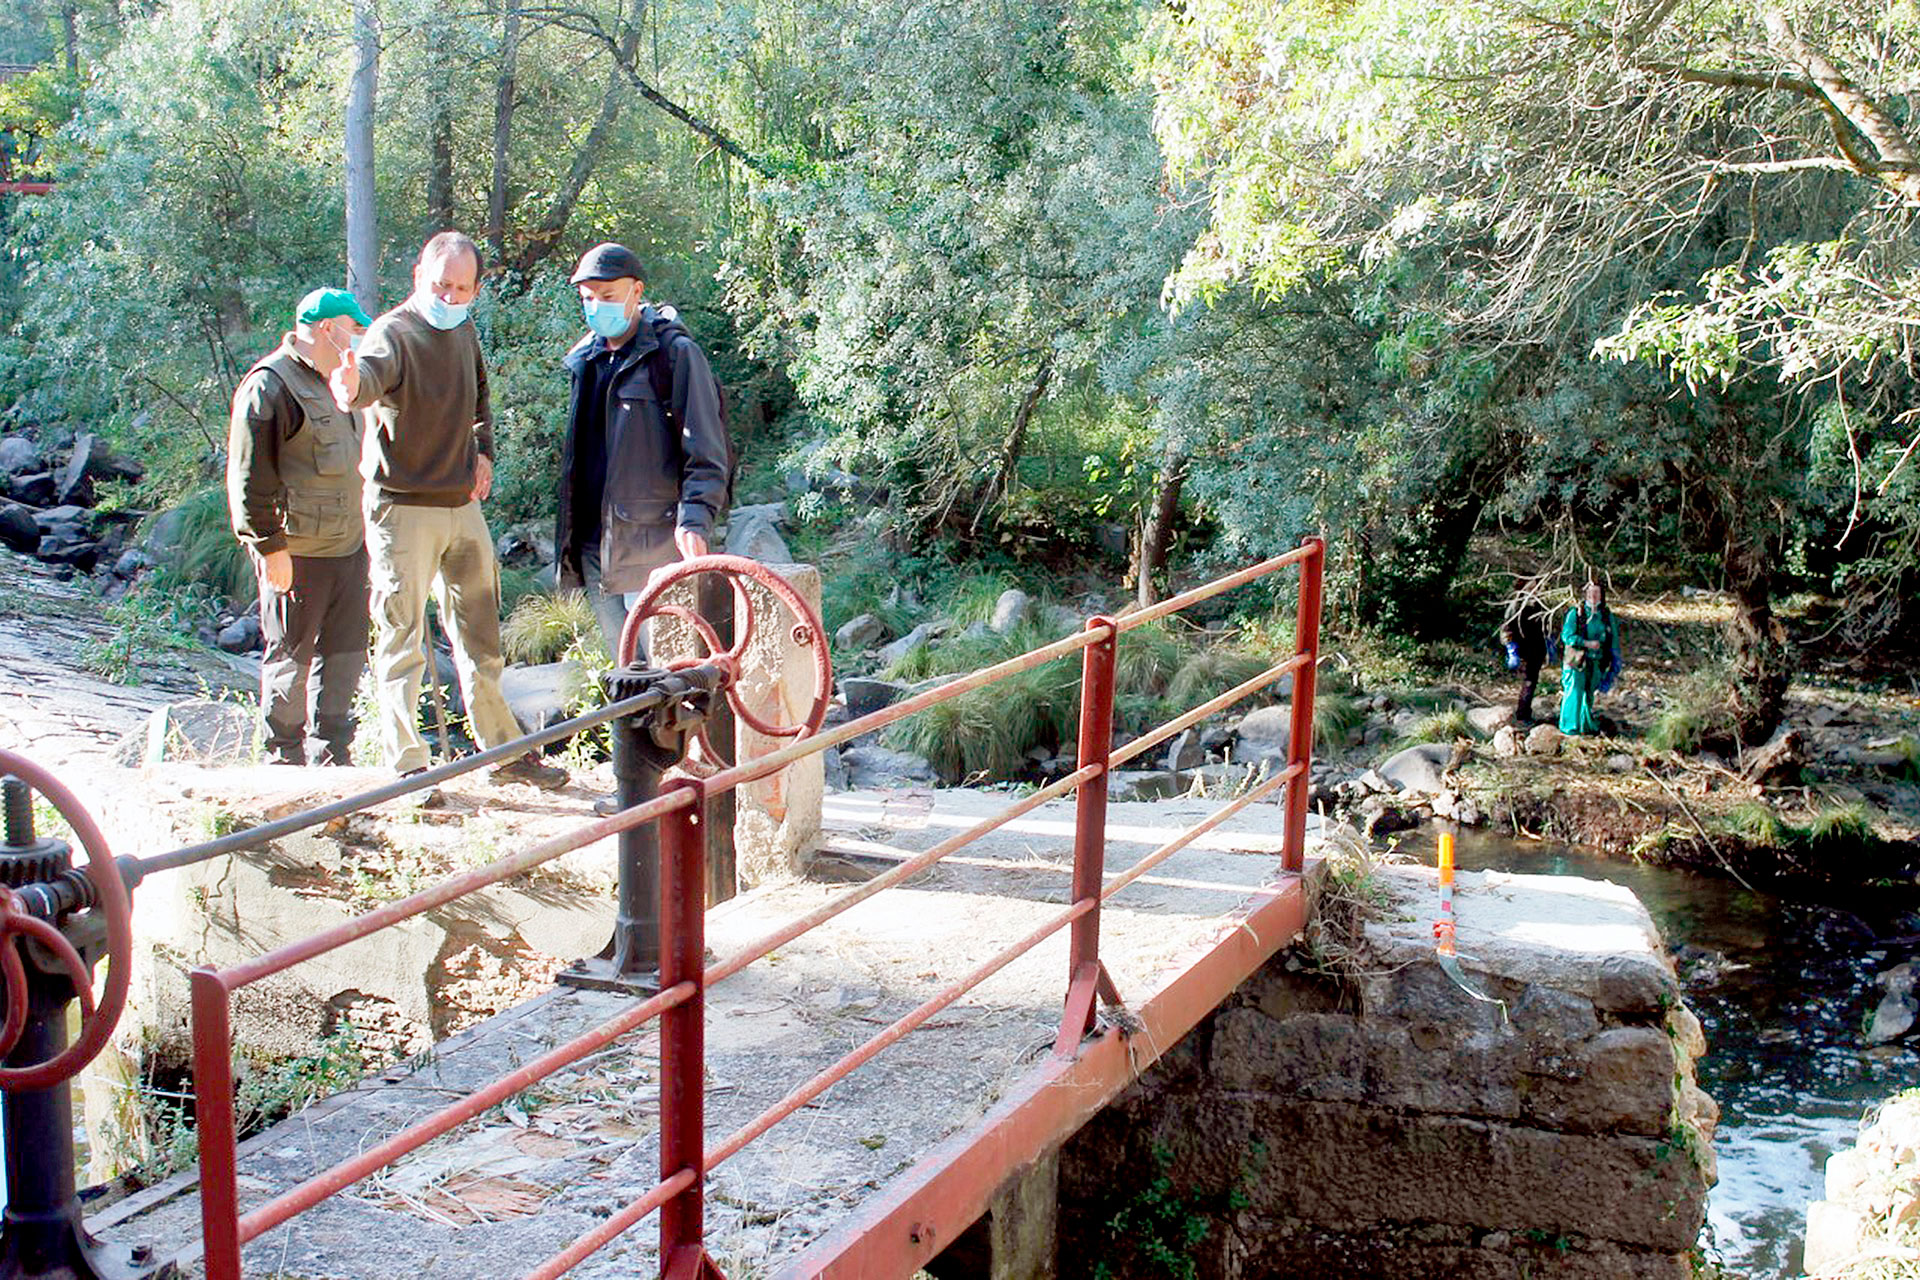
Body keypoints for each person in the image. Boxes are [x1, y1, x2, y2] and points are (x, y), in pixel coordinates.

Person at [329, 231, 566, 788]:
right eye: (441, 285)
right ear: (419, 276)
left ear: (476, 289)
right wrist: (348, 385)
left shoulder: (462, 330)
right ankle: (407, 768)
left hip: (462, 506)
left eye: (461, 288)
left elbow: (480, 397)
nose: (449, 296)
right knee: (401, 637)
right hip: (402, 508)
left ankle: (503, 754)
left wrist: (484, 451)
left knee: (481, 636)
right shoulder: (394, 334)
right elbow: (365, 381)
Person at [553, 242, 731, 659]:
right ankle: (630, 727)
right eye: (588, 299)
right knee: (626, 680)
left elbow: (705, 450)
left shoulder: (674, 354)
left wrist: (696, 519)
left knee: (670, 677)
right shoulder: (585, 360)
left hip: (652, 547)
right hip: (595, 548)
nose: (597, 307)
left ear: (636, 290)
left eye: (608, 296)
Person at [227, 287, 374, 765]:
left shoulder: (343, 382)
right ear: (328, 329)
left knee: (347, 656)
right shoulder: (269, 385)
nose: (358, 338)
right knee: (290, 658)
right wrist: (270, 549)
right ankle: (283, 756)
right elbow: (250, 478)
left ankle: (334, 753)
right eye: (353, 329)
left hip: (351, 548)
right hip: (296, 552)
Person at [1558, 579, 1620, 736]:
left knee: (1588, 694)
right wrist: (1586, 643)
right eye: (1590, 592)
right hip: (1577, 662)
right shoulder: (1576, 613)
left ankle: (1585, 726)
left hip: (1596, 661)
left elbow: (1613, 640)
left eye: (1597, 592)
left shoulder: (1606, 615)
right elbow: (1567, 636)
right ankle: (1569, 729)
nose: (1593, 595)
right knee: (1574, 692)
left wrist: (1614, 663)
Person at [1497, 594, 1552, 726]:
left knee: (1531, 683)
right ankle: (1522, 716)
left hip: (1537, 649)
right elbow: (1506, 627)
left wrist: (1549, 644)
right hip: (1522, 650)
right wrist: (1511, 648)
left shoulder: (1539, 604)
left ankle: (1525, 713)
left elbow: (1544, 626)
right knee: (1528, 683)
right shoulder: (1516, 604)